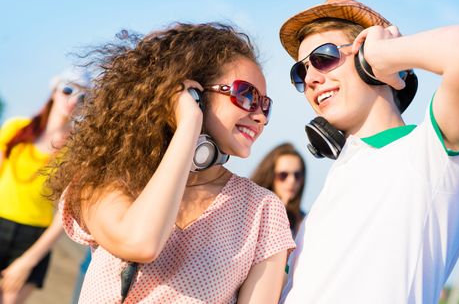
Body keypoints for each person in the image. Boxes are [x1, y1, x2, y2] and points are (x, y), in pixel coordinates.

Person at [49, 22, 296, 303]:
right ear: (194, 94)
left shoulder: (263, 210)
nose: (260, 116)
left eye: (265, 105)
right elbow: (140, 242)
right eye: (247, 96)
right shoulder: (107, 178)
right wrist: (189, 124)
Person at [278, 0, 459, 303]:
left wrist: (386, 52)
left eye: (323, 58)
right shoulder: (331, 188)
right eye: (300, 72)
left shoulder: (429, 155)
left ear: (369, 61)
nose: (312, 78)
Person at [0, 69, 90, 304]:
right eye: (68, 90)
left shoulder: (78, 152)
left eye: (82, 97)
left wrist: (28, 261)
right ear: (54, 91)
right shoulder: (16, 129)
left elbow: (65, 212)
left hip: (34, 240)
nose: (72, 101)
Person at [250, 143, 306, 237]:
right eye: (283, 175)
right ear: (270, 176)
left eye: (297, 175)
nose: (291, 181)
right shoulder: (250, 211)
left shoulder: (304, 221)